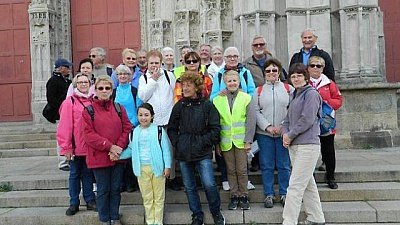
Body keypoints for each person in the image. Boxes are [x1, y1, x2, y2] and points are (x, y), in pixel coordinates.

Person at [167, 71, 225, 225]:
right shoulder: (179, 106)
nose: (184, 88)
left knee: (209, 184)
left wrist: (203, 142)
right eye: (183, 85)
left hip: (203, 151)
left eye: (188, 85)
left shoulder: (207, 106)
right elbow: (172, 129)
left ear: (196, 87)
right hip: (184, 151)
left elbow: (215, 129)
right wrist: (178, 142)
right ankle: (197, 215)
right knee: (189, 186)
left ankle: (216, 212)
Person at [82, 75, 132, 225]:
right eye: (101, 88)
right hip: (99, 157)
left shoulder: (118, 108)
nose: (104, 91)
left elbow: (127, 127)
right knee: (103, 189)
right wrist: (110, 146)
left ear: (112, 90)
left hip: (117, 156)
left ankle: (115, 217)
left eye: (107, 88)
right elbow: (89, 135)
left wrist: (118, 148)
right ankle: (104, 219)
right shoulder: (88, 110)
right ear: (95, 90)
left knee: (116, 188)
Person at [281, 63, 325, 225]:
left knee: (295, 186)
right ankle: (316, 218)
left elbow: (307, 119)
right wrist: (285, 134)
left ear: (306, 77)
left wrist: (290, 135)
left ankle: (289, 221)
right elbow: (287, 119)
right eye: (293, 76)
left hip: (308, 145)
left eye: (299, 75)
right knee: (307, 185)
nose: (296, 79)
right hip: (295, 145)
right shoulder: (295, 95)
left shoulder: (311, 94)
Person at [211, 46, 256, 190]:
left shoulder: (245, 73)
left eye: (235, 56)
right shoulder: (219, 75)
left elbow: (252, 93)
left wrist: (243, 93)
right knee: (228, 162)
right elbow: (212, 97)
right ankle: (227, 182)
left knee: (242, 163)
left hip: (241, 129)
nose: (232, 59)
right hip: (225, 126)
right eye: (229, 56)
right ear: (225, 59)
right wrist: (220, 93)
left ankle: (243, 186)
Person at [213, 70, 256, 210]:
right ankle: (234, 195)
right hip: (226, 142)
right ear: (225, 83)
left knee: (242, 169)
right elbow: (216, 123)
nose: (232, 83)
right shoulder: (217, 100)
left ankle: (243, 195)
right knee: (230, 170)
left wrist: (248, 140)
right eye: (229, 81)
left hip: (241, 142)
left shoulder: (246, 98)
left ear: (239, 82)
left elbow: (251, 121)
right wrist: (217, 144)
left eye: (234, 81)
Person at [254, 58, 293, 208]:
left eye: (274, 70)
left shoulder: (289, 89)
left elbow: (292, 110)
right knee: (267, 165)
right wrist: (268, 126)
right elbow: (256, 111)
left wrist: (283, 126)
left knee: (284, 165)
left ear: (279, 72)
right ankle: (268, 194)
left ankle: (284, 193)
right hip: (265, 134)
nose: (271, 73)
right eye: (268, 71)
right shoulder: (258, 91)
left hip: (284, 133)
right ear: (264, 73)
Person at [138, 50, 179, 191]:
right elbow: (143, 96)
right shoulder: (144, 78)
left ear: (161, 63)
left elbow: (175, 94)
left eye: (157, 63)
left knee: (170, 149)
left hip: (168, 118)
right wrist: (153, 80)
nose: (154, 66)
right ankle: (158, 176)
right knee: (156, 150)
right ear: (147, 64)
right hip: (153, 121)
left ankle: (171, 177)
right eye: (151, 63)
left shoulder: (169, 76)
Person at [57, 73, 97, 216]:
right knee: (74, 174)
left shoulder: (94, 100)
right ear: (75, 85)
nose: (83, 84)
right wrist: (66, 147)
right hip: (75, 146)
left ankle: (90, 199)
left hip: (89, 146)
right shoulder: (70, 102)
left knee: (88, 174)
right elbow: (65, 126)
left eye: (86, 82)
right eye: (80, 82)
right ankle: (73, 202)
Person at [127, 103, 171, 225]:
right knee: (147, 197)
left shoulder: (158, 130)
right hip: (141, 168)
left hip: (157, 168)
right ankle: (150, 221)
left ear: (152, 116)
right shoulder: (134, 132)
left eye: (146, 115)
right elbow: (131, 149)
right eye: (140, 115)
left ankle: (158, 221)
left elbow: (166, 150)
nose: (143, 118)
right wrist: (117, 155)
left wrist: (167, 166)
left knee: (158, 197)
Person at [308, 56, 343, 189]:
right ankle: (310, 179)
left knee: (328, 151)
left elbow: (338, 100)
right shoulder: (305, 82)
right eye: (312, 65)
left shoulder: (329, 83)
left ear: (323, 68)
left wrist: (325, 103)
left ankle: (331, 177)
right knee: (310, 152)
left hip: (326, 122)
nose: (315, 68)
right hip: (309, 123)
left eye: (318, 66)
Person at [111, 64, 143, 193]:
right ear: (117, 77)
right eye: (120, 74)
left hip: (132, 127)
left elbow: (139, 108)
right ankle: (121, 183)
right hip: (117, 128)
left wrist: (133, 124)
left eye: (125, 74)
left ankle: (131, 183)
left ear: (129, 76)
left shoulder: (135, 91)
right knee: (119, 156)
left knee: (131, 156)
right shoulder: (113, 92)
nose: (123, 76)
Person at [45, 58, 73, 171]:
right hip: (60, 114)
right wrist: (61, 109)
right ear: (61, 68)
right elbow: (51, 99)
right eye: (67, 67)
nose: (69, 69)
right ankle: (62, 162)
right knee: (62, 137)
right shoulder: (53, 81)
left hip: (67, 113)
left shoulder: (67, 81)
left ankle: (68, 159)